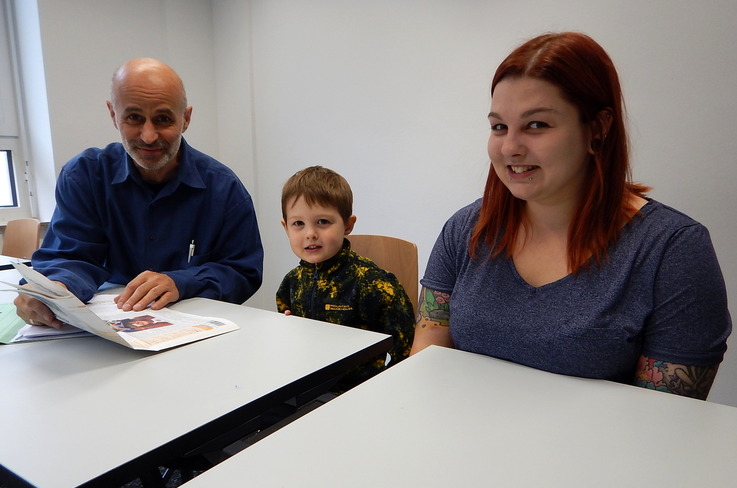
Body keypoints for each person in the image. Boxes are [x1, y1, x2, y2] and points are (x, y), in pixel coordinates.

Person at [410, 32, 731, 400]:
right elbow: (428, 356)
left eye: (537, 125)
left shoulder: (673, 251)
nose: (510, 147)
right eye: (499, 126)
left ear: (598, 128)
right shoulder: (466, 229)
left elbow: (667, 420)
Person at [15, 58, 263, 328]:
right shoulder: (85, 176)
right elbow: (71, 255)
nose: (148, 136)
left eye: (163, 119)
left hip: (192, 333)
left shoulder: (224, 189)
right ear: (113, 114)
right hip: (104, 333)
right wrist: (53, 289)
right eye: (134, 118)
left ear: (186, 119)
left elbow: (243, 271)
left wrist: (180, 281)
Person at [277, 166, 415, 388]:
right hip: (305, 388)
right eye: (298, 224)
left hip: (360, 392)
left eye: (323, 222)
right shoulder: (291, 283)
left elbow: (406, 349)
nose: (310, 233)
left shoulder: (374, 284)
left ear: (348, 225)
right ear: (286, 228)